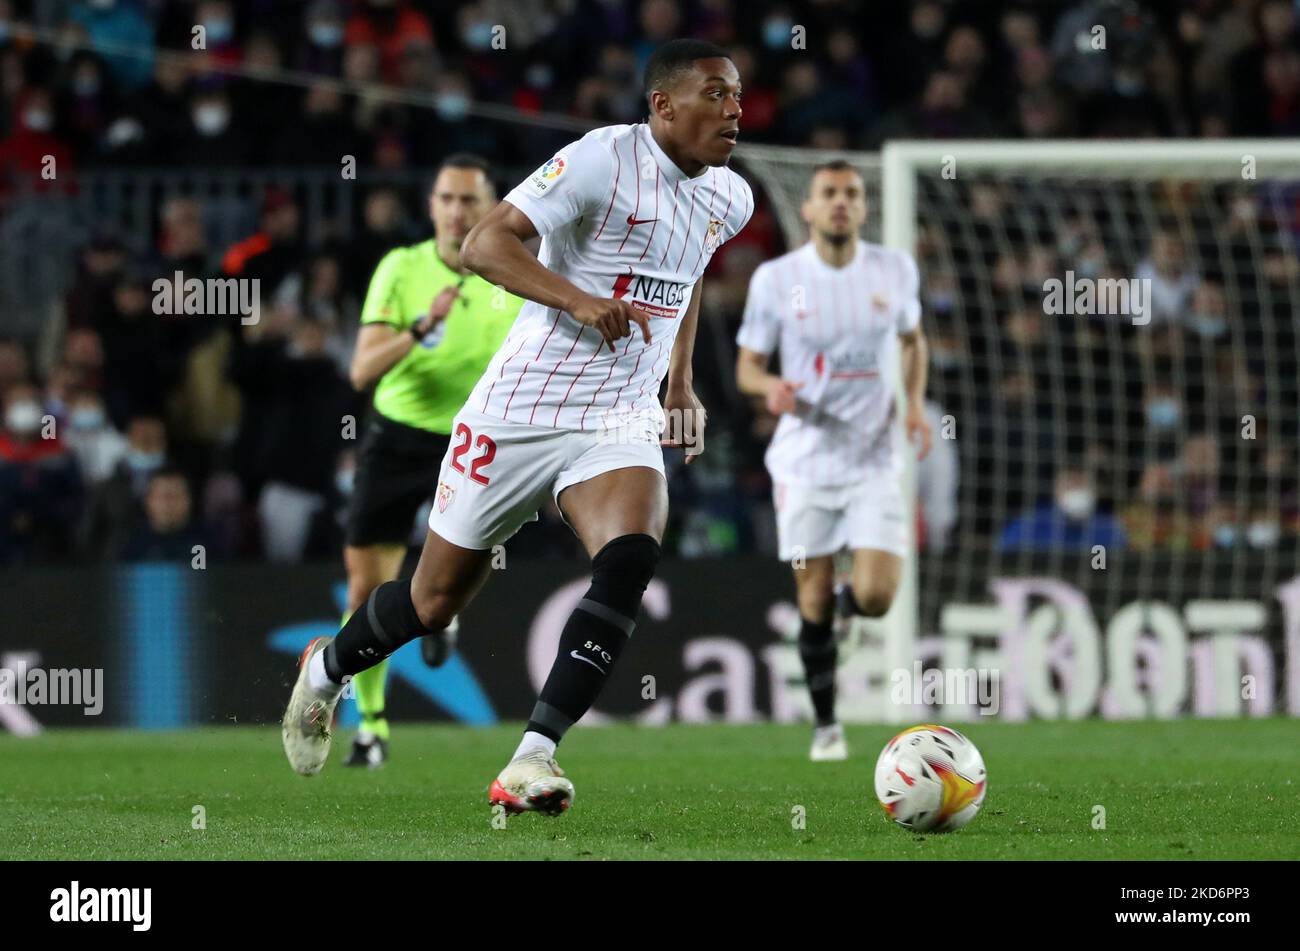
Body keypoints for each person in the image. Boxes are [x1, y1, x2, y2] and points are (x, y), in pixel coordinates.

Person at [281, 38, 752, 817]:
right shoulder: (601, 159)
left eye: (737, 94)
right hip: (518, 410)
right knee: (431, 603)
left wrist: (680, 378)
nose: (734, 109)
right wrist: (574, 297)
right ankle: (326, 670)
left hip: (617, 415)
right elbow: (482, 244)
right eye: (715, 93)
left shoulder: (729, 197)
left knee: (632, 553)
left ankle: (533, 757)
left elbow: (691, 265)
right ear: (663, 104)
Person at [735, 160, 931, 761]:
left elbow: (911, 340)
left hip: (873, 458)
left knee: (876, 597)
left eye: (851, 194)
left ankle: (852, 607)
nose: (841, 203)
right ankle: (826, 726)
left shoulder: (893, 269)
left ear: (864, 208)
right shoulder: (776, 279)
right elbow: (747, 367)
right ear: (809, 209)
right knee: (811, 599)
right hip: (804, 464)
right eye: (829, 194)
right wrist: (769, 388)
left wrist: (916, 406)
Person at [341, 154, 523, 768]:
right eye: (447, 199)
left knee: (454, 573)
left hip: (476, 439)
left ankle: (440, 616)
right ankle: (371, 725)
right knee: (367, 585)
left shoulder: (513, 270)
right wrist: (421, 328)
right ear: (431, 206)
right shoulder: (402, 267)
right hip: (399, 436)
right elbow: (362, 370)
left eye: (470, 201)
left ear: (491, 207)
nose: (456, 212)